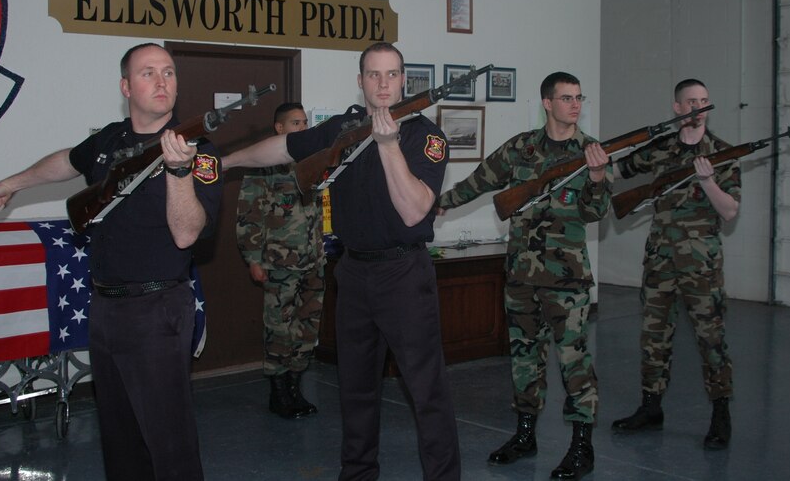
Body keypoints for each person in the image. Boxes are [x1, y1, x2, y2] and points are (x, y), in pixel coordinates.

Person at [0, 43, 223, 480]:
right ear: (126, 86)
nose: (161, 80)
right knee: (120, 439)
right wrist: (12, 183)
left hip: (158, 310)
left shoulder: (198, 152)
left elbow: (187, 233)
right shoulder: (111, 138)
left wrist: (179, 172)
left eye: (168, 72)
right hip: (106, 308)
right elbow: (68, 162)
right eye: (148, 73)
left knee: (170, 443)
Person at [222, 41, 460, 480]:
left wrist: (388, 146)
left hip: (404, 274)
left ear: (405, 79)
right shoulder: (343, 128)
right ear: (360, 80)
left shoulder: (426, 136)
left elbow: (413, 211)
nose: (383, 84)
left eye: (392, 74)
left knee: (427, 392)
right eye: (374, 74)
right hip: (353, 272)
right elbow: (284, 148)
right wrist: (226, 161)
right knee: (355, 390)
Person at [436, 72, 610, 481]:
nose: (575, 105)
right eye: (566, 98)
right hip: (521, 275)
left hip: (566, 280)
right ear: (547, 103)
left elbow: (596, 213)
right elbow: (480, 180)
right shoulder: (521, 148)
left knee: (574, 362)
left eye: (579, 98)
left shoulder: (592, 152)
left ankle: (582, 445)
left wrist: (598, 179)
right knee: (524, 359)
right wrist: (440, 204)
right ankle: (525, 434)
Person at [609, 78, 740, 450]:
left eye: (705, 100)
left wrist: (709, 181)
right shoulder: (661, 149)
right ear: (678, 108)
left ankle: (720, 413)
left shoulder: (723, 153)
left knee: (711, 339)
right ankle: (651, 407)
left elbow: (730, 211)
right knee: (654, 338)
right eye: (691, 101)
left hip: (702, 267)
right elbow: (619, 171)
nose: (699, 107)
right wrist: (596, 167)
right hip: (660, 261)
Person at [236, 102, 326, 419]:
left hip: (313, 260)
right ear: (279, 128)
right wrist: (253, 259)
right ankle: (278, 393)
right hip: (278, 263)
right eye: (295, 123)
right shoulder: (265, 166)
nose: (302, 128)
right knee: (279, 329)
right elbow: (249, 216)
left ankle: (295, 389)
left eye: (304, 122)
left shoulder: (314, 162)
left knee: (307, 328)